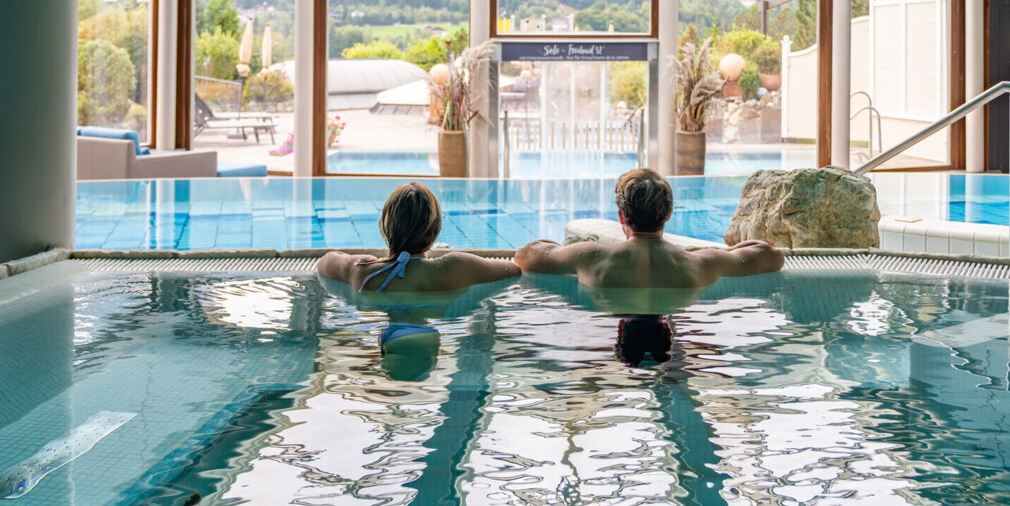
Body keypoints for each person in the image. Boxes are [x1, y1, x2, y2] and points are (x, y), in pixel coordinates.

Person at [318, 182, 519, 355]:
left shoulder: (364, 272)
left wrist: (375, 261)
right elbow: (513, 269)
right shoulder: (454, 268)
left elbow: (325, 261)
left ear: (385, 228)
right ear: (435, 230)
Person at [514, 168, 784, 289]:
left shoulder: (590, 256)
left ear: (621, 216)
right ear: (668, 213)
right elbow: (771, 255)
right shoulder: (700, 262)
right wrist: (704, 251)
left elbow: (526, 254)